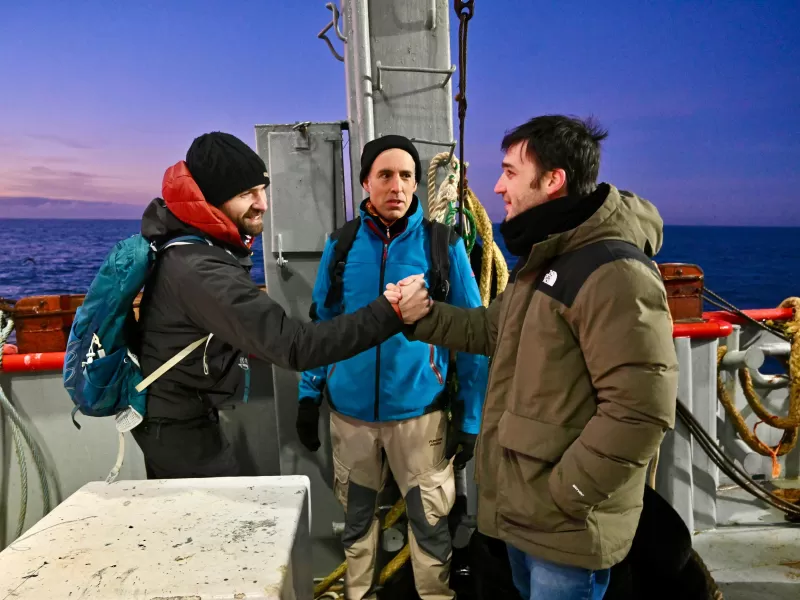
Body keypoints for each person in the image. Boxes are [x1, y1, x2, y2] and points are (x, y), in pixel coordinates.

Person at [385, 115, 679, 600]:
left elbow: (640, 410)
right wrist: (422, 318)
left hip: (566, 528)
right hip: (529, 517)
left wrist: (571, 493)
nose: (498, 185)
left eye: (510, 172)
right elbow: (491, 329)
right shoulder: (545, 259)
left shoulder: (612, 272)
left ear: (553, 180)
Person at [131, 131, 424, 480]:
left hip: (179, 413)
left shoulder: (191, 247)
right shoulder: (200, 269)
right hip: (177, 425)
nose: (263, 203)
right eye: (246, 194)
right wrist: (390, 312)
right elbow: (295, 345)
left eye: (262, 189)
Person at [295, 134, 488, 600]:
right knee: (358, 528)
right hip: (351, 416)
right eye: (384, 175)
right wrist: (309, 393)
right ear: (365, 182)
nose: (397, 186)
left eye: (406, 176)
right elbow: (323, 324)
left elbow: (476, 336)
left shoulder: (442, 245)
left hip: (421, 419)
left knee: (430, 528)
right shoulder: (341, 247)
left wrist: (471, 417)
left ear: (418, 183)